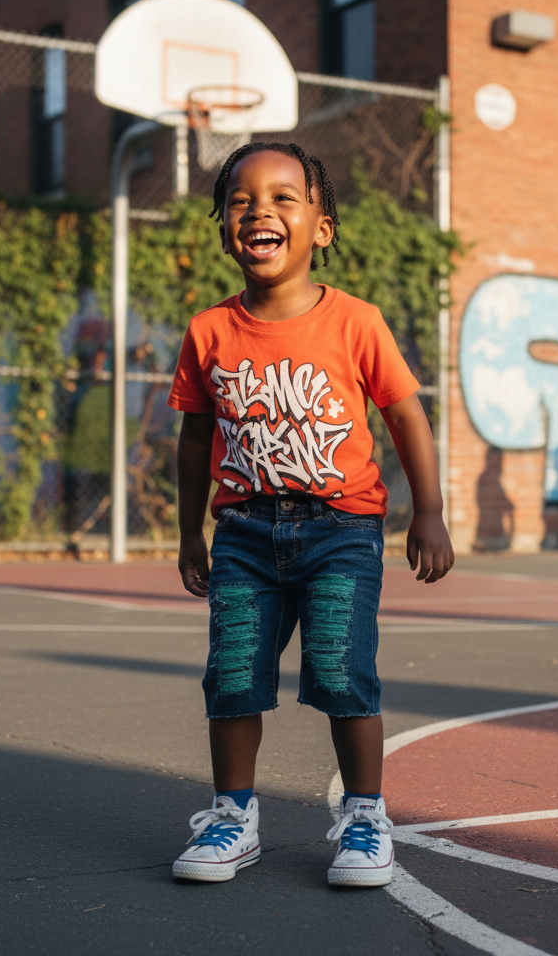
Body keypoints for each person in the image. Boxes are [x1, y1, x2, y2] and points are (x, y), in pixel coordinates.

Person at [166, 143, 453, 887]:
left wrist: (431, 512)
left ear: (321, 228)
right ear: (225, 227)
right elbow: (196, 436)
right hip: (243, 535)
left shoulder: (355, 321)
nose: (260, 209)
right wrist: (188, 530)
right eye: (240, 199)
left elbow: (406, 416)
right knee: (231, 677)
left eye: (284, 197)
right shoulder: (209, 331)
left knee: (342, 670)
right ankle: (234, 818)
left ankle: (364, 818)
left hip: (341, 532)